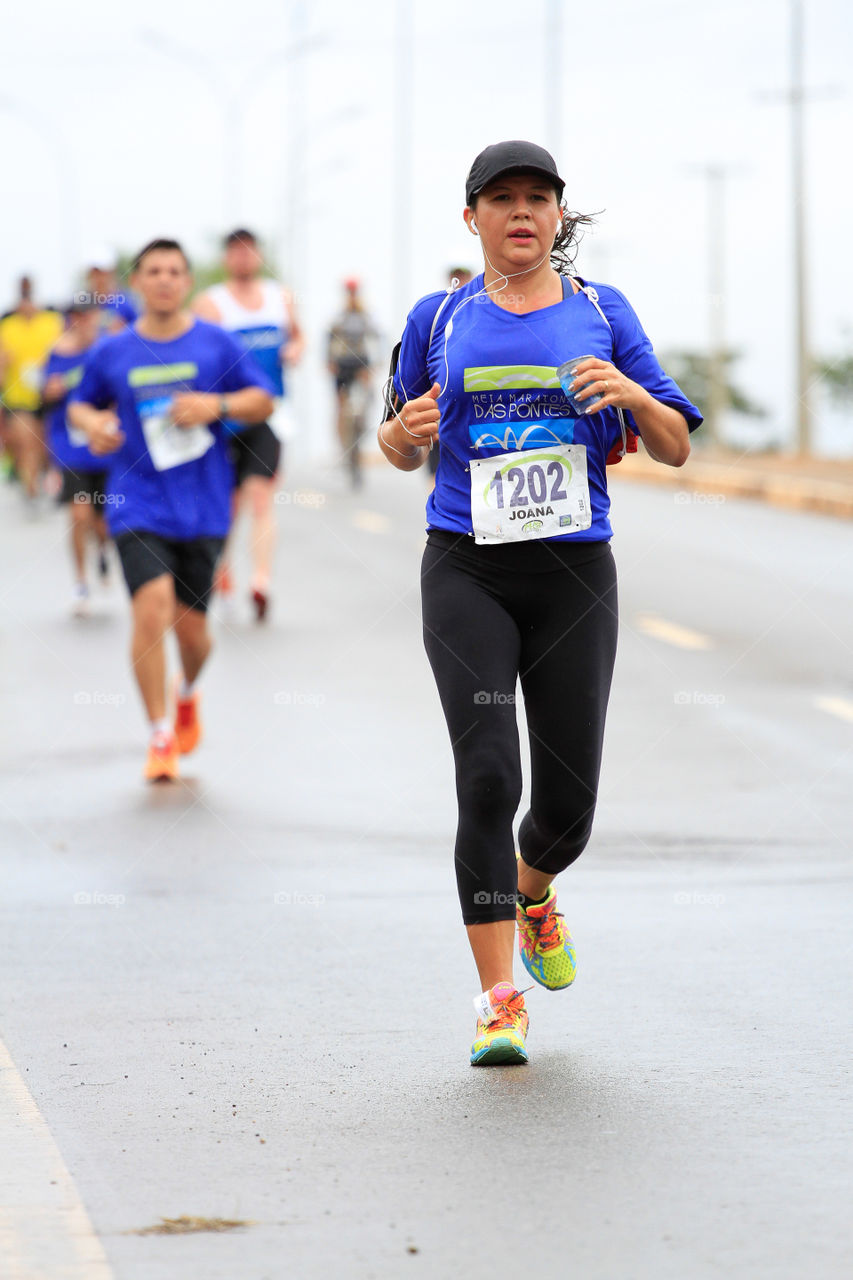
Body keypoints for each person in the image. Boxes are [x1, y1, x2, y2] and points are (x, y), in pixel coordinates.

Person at [379, 141, 702, 1067]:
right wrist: (400, 432)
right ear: (471, 217)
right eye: (501, 198)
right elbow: (400, 446)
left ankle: (534, 890)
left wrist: (633, 392)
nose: (521, 213)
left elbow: (674, 446)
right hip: (467, 568)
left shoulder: (604, 312)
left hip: (570, 574)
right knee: (486, 775)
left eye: (538, 199)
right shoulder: (439, 316)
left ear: (558, 217)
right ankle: (495, 1000)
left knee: (565, 810)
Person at [68, 238, 274, 782]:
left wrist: (216, 405)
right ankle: (160, 734)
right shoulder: (114, 350)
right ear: (137, 282)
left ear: (186, 282)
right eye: (153, 271)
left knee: (193, 635)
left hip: (204, 504)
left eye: (174, 271)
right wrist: (95, 426)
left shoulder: (216, 344)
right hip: (138, 500)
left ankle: (186, 694)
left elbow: (264, 399)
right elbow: (80, 402)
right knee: (151, 609)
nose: (164, 280)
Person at [193, 228, 304, 621]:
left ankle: (261, 580)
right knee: (228, 504)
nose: (243, 258)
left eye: (249, 251)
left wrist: (293, 349)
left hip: (268, 414)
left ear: (258, 255)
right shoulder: (211, 304)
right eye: (236, 253)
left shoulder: (279, 297)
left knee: (261, 497)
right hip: (225, 417)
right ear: (227, 259)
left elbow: (299, 337)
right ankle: (222, 572)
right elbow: (199, 358)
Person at [42, 298, 110, 615]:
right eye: (77, 317)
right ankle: (81, 582)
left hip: (105, 446)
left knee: (102, 520)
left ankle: (104, 553)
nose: (83, 322)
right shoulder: (56, 353)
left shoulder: (107, 349)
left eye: (88, 316)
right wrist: (50, 392)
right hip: (70, 447)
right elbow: (43, 399)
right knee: (78, 513)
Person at [0, 277, 63, 501]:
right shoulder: (7, 326)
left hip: (48, 397)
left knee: (41, 445)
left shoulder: (52, 322)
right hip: (19, 399)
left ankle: (42, 475)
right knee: (26, 441)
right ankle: (30, 486)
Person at [327, 278, 378, 484]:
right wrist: (329, 362)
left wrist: (373, 366)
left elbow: (376, 341)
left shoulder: (366, 317)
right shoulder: (339, 318)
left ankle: (358, 442)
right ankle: (344, 446)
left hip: (360, 369)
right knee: (341, 410)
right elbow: (329, 340)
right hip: (342, 369)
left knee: (361, 411)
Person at [83, 248, 138, 333]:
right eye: (94, 272)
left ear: (112, 272)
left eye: (102, 272)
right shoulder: (80, 304)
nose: (98, 278)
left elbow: (138, 331)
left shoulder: (126, 302)